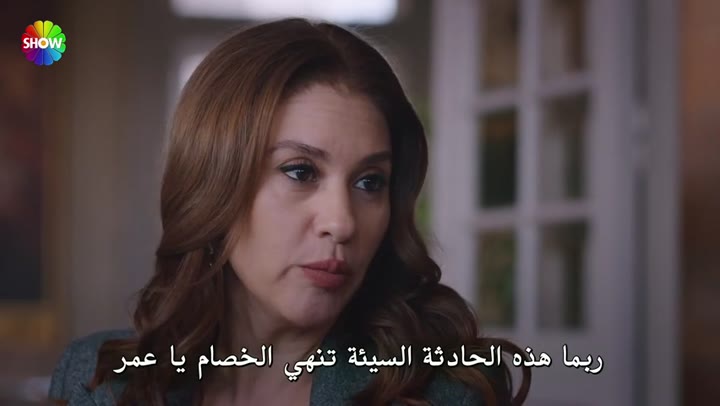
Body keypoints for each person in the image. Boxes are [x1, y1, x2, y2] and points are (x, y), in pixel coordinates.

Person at [48, 18, 531, 406]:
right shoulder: (97, 381)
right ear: (214, 183)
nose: (341, 222)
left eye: (370, 182)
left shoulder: (445, 391)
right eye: (300, 171)